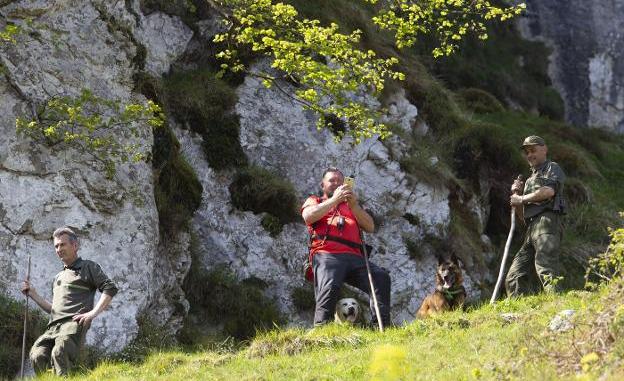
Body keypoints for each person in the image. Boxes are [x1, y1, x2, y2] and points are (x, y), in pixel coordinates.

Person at [21, 227, 118, 375]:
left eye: (62, 244)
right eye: (56, 246)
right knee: (37, 354)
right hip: (53, 327)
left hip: (72, 324)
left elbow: (110, 288)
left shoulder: (88, 266)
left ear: (75, 245)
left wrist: (92, 313)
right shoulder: (58, 277)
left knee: (60, 351)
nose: (59, 249)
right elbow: (54, 310)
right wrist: (33, 294)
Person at [301, 167, 391, 327]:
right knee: (330, 283)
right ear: (323, 185)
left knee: (381, 277)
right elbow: (308, 217)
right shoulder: (316, 200)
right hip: (327, 253)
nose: (336, 184)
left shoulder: (352, 206)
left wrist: (354, 206)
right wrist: (334, 200)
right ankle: (322, 327)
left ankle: (381, 324)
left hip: (355, 257)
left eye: (340, 181)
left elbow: (370, 227)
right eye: (332, 181)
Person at [506, 136, 566, 296]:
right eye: (527, 152)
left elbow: (548, 191)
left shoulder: (552, 168)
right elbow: (523, 216)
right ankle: (519, 312)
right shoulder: (530, 180)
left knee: (545, 266)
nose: (529, 155)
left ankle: (558, 305)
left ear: (544, 149)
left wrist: (522, 198)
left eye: (533, 150)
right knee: (514, 276)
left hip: (547, 223)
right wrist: (517, 198)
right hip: (531, 229)